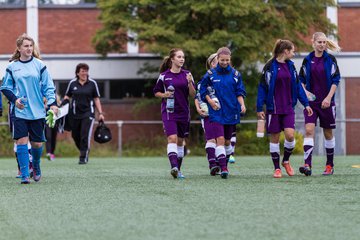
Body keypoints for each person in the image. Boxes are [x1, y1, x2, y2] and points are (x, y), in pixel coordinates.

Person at [0, 33, 58, 184]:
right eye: (26, 46)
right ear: (19, 48)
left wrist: (53, 104)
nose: (29, 48)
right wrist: (15, 100)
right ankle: (25, 174)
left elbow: (49, 87)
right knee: (21, 141)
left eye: (31, 46)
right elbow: (5, 87)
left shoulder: (40, 65)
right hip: (19, 111)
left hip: (38, 111)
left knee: (37, 144)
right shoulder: (12, 67)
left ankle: (36, 165)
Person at [257, 39, 313, 178]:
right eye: (292, 50)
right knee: (274, 138)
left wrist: (306, 104)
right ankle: (277, 168)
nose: (294, 53)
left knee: (290, 136)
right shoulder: (269, 66)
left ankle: (286, 161)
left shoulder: (291, 66)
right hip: (273, 109)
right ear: (285, 51)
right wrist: (259, 107)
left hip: (288, 108)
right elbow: (262, 88)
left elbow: (298, 86)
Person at [199, 47, 246, 179]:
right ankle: (224, 168)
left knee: (227, 142)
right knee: (219, 140)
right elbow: (203, 91)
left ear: (230, 59)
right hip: (217, 112)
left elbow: (239, 92)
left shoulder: (236, 75)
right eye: (222, 60)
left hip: (231, 111)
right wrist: (210, 101)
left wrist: (242, 104)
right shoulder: (210, 74)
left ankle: (224, 162)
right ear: (218, 59)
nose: (224, 62)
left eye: (227, 60)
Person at [298, 32, 341, 176]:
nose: (322, 44)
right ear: (313, 42)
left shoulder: (330, 59)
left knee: (328, 133)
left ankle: (329, 165)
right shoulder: (307, 60)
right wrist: (305, 93)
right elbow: (301, 80)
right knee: (309, 131)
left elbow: (336, 80)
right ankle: (307, 165)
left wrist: (328, 98)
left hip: (327, 103)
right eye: (319, 42)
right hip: (311, 104)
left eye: (324, 42)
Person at [153, 48, 196, 179]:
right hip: (169, 112)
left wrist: (189, 82)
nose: (182, 59)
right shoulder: (164, 76)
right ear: (172, 59)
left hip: (184, 112)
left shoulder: (187, 74)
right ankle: (174, 167)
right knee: (172, 138)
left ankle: (178, 170)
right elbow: (156, 92)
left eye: (183, 57)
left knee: (180, 142)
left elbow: (193, 94)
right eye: (179, 57)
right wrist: (164, 95)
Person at [63, 63, 104, 164]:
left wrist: (100, 113)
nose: (85, 73)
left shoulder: (92, 83)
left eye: (86, 71)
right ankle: (84, 150)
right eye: (83, 71)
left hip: (88, 113)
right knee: (75, 136)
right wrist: (62, 107)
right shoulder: (72, 83)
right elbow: (67, 97)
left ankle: (83, 157)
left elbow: (96, 99)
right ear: (77, 73)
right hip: (75, 114)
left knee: (84, 135)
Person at [195, 53, 219, 175]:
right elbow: (196, 96)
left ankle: (220, 163)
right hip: (208, 115)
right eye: (217, 61)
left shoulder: (225, 79)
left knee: (223, 140)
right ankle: (212, 165)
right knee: (211, 139)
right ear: (211, 64)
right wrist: (198, 109)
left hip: (222, 115)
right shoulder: (203, 81)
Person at [44, 95, 61, 161]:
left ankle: (52, 153)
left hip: (55, 122)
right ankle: (48, 153)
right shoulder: (45, 99)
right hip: (47, 121)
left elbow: (59, 110)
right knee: (48, 137)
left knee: (53, 137)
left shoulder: (56, 98)